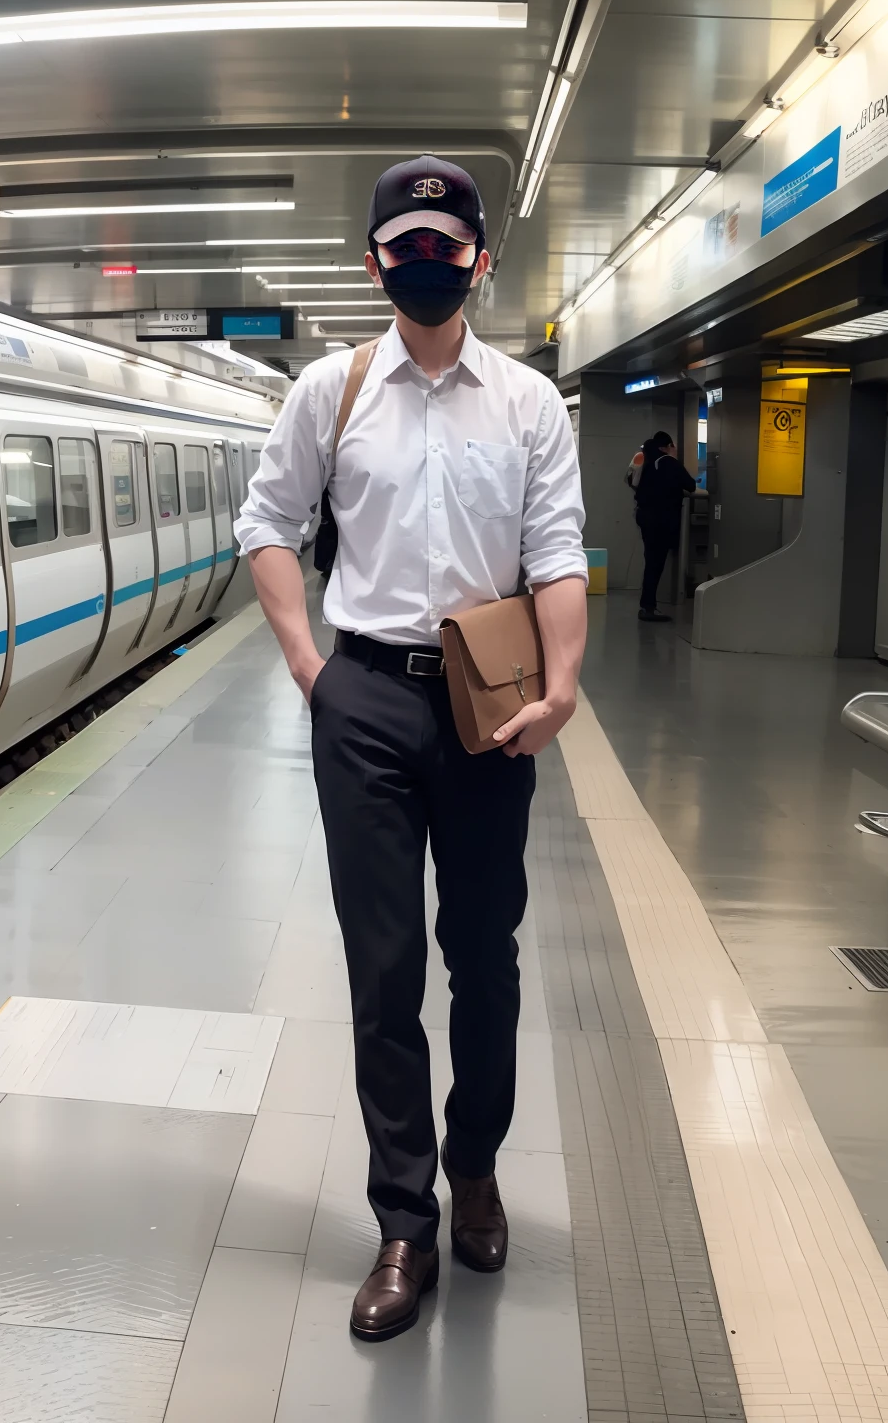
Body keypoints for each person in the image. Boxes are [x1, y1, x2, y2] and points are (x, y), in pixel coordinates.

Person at [234, 156, 589, 1342]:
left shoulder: (528, 404)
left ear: (480, 259)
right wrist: (309, 668)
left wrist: (565, 681)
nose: (427, 261)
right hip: (369, 699)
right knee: (383, 969)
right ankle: (404, 1220)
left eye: (448, 243)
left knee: (481, 954)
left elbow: (555, 553)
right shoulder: (327, 395)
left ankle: (475, 1169)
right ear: (375, 258)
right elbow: (267, 526)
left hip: (492, 705)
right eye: (406, 243)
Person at [631, 430, 694, 622]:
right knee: (655, 563)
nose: (674, 449)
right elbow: (690, 485)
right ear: (665, 447)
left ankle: (647, 605)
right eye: (672, 445)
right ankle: (648, 607)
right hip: (660, 520)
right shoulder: (667, 462)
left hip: (645, 516)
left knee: (651, 561)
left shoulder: (647, 461)